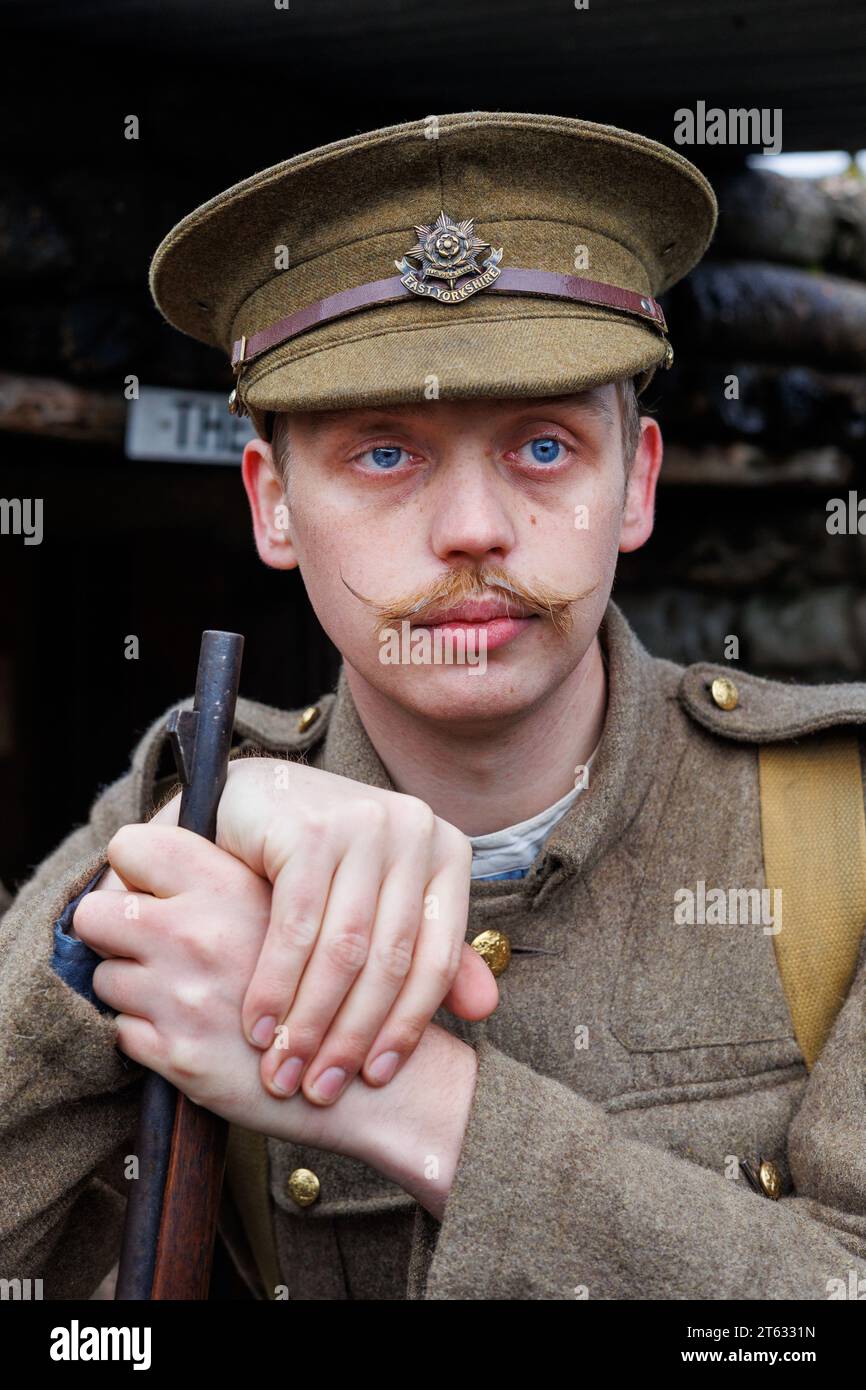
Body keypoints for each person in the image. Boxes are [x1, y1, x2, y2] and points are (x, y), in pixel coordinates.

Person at [2, 111, 865, 1301]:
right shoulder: (178, 830)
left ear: (638, 484)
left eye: (545, 447)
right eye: (385, 454)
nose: (473, 526)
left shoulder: (843, 825)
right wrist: (116, 919)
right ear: (274, 506)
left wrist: (404, 1099)